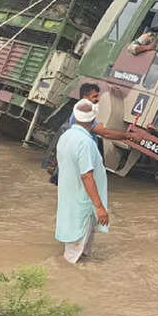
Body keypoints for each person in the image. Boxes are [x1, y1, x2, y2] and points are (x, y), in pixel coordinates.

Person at [55, 99, 109, 264]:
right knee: (73, 257)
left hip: (70, 200)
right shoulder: (85, 143)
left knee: (80, 253)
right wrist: (99, 207)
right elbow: (87, 176)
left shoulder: (66, 136)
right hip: (83, 204)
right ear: (93, 120)